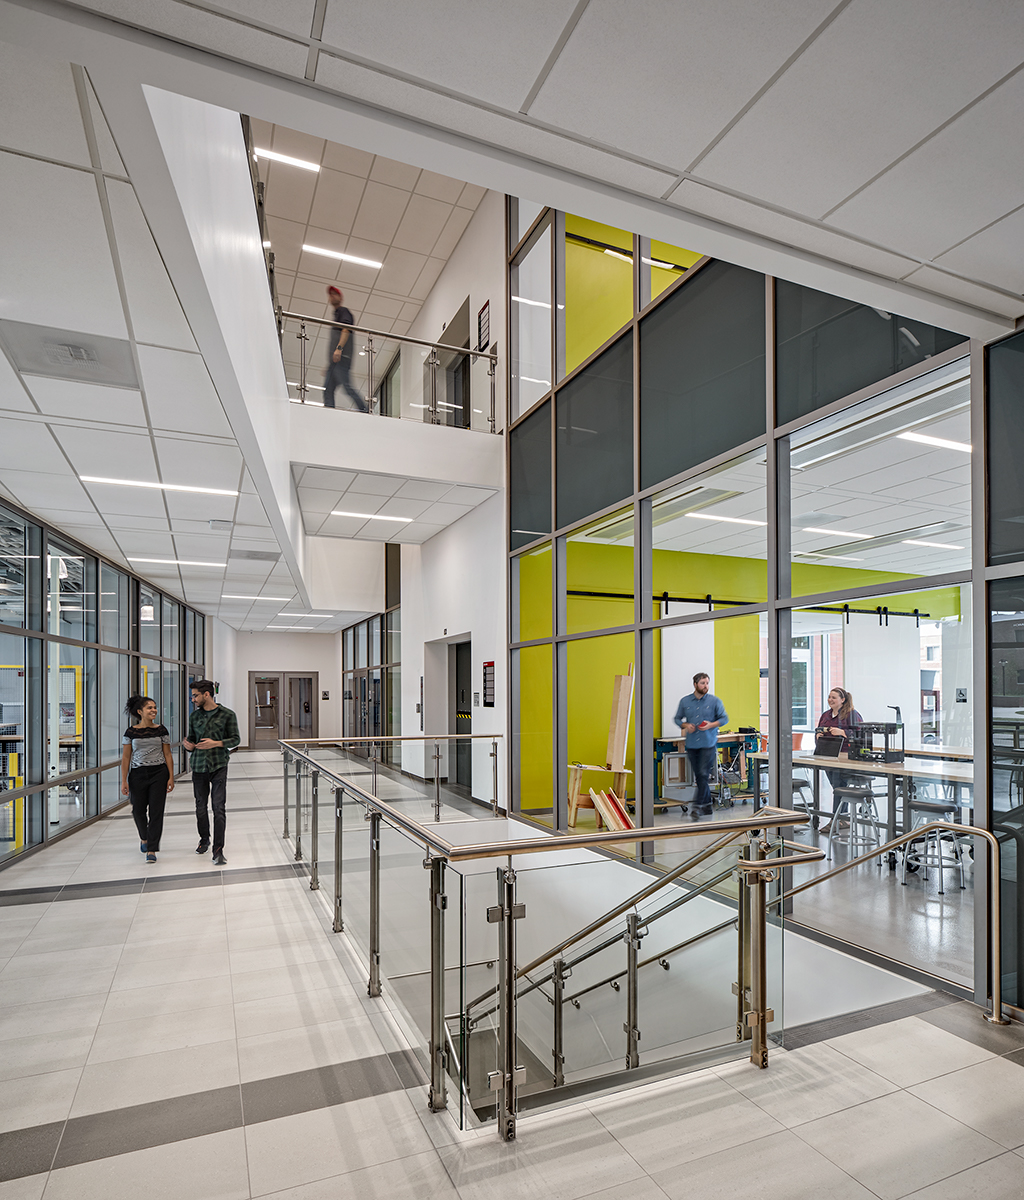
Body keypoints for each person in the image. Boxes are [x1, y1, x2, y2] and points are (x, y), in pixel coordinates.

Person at [183, 679, 240, 866]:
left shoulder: (227, 715)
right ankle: (204, 839)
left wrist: (215, 743)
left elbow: (235, 739)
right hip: (199, 766)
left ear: (206, 694)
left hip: (219, 765)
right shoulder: (194, 717)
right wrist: (188, 746)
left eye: (195, 695)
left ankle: (218, 849)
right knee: (200, 807)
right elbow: (191, 740)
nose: (193, 699)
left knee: (218, 808)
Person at [120, 695, 174, 864]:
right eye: (149, 708)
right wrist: (124, 780)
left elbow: (167, 754)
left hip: (159, 773)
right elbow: (126, 758)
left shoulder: (161, 730)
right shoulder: (131, 732)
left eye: (154, 707)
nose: (153, 710)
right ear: (140, 712)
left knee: (156, 812)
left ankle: (151, 848)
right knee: (138, 810)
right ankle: (144, 837)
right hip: (137, 775)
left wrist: (171, 777)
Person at [674, 672, 728, 818]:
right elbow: (677, 719)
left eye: (707, 683)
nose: (706, 686)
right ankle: (707, 806)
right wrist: (685, 725)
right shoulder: (685, 701)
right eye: (703, 683)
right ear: (695, 684)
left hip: (708, 744)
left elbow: (724, 719)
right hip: (692, 744)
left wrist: (711, 724)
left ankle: (697, 807)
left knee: (703, 774)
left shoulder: (715, 701)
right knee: (699, 776)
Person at [816, 687, 863, 832]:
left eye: (834, 697)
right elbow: (818, 730)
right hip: (828, 755)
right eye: (829, 697)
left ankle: (836, 819)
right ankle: (842, 818)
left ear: (843, 700)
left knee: (838, 787)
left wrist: (842, 732)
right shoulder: (825, 715)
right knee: (837, 787)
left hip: (845, 757)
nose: (830, 700)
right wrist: (818, 735)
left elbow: (861, 734)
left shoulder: (852, 714)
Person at [323, 285, 367, 411]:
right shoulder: (336, 314)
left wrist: (339, 348)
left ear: (340, 297)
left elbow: (346, 329)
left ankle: (364, 409)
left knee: (347, 387)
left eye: (334, 294)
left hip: (342, 358)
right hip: (335, 362)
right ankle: (329, 413)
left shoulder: (343, 312)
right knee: (328, 389)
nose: (331, 296)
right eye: (330, 294)